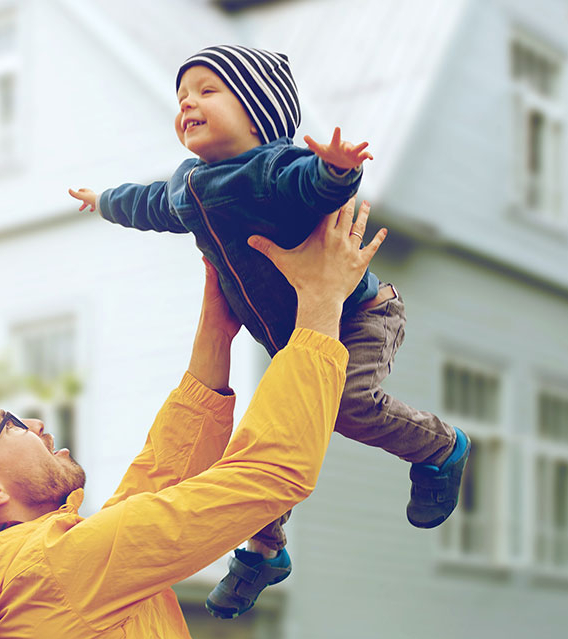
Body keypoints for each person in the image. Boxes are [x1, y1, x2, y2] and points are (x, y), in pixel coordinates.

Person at [67, 44, 470, 618]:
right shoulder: (186, 185)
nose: (188, 104)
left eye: (207, 91)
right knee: (266, 438)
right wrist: (105, 200)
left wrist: (336, 169)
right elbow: (147, 202)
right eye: (181, 97)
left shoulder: (272, 167)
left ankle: (440, 447)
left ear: (258, 112)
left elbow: (312, 184)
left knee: (347, 406)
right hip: (294, 340)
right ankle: (263, 553)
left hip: (359, 314)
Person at [0, 200, 385, 638]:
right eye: (9, 423)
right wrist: (321, 302)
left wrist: (215, 328)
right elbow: (270, 473)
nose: (33, 424)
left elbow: (151, 494)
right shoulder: (54, 571)